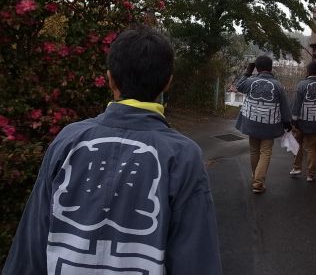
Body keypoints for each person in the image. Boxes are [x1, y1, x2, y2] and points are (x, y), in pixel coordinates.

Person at [3, 26, 223, 275]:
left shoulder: (68, 140)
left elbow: (32, 242)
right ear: (167, 82)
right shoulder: (183, 155)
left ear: (109, 79)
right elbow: (196, 257)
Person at [235, 55, 292, 194]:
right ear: (271, 68)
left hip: (251, 122)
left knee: (254, 150)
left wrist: (248, 71)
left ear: (257, 68)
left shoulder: (251, 82)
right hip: (269, 125)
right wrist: (287, 123)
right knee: (265, 152)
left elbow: (239, 86)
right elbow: (284, 107)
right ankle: (258, 183)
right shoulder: (278, 85)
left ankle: (256, 178)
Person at [289, 61, 316, 182]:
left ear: (307, 72)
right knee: (312, 148)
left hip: (301, 123)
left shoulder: (301, 85)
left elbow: (295, 106)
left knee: (297, 145)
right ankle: (311, 174)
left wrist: (293, 121)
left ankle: (297, 168)